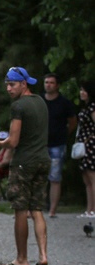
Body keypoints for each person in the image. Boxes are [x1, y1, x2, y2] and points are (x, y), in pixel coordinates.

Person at [0, 67, 50, 265]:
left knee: (21, 211)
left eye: (12, 84)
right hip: (43, 160)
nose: (8, 88)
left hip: (24, 163)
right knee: (37, 209)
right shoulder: (41, 102)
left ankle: (22, 259)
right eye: (7, 84)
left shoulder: (19, 106)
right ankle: (43, 256)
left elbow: (13, 141)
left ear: (24, 84)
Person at [42, 74, 77, 217]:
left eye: (51, 82)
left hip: (58, 144)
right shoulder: (39, 101)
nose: (48, 85)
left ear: (57, 85)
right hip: (41, 144)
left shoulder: (64, 103)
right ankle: (35, 208)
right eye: (46, 82)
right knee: (38, 177)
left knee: (55, 177)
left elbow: (73, 121)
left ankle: (52, 210)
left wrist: (64, 134)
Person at [75, 82, 95, 217]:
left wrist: (89, 139)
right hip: (83, 144)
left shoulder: (93, 107)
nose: (81, 93)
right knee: (86, 180)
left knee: (93, 178)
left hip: (91, 145)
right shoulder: (84, 108)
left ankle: (93, 209)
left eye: (84, 90)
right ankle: (89, 209)